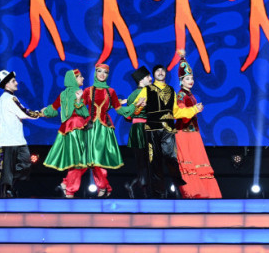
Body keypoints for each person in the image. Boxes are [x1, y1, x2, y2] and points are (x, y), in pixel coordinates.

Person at [144, 64, 199, 198]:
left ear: (165, 74)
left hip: (168, 128)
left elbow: (176, 112)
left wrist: (193, 110)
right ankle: (158, 190)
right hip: (153, 128)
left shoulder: (171, 90)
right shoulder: (147, 90)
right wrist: (137, 107)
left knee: (171, 157)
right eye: (157, 71)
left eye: (162, 70)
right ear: (154, 74)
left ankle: (177, 182)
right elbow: (136, 105)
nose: (160, 72)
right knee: (155, 159)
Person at [174, 50, 221, 198]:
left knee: (199, 161)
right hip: (184, 132)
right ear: (181, 80)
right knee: (189, 161)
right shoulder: (181, 95)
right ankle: (192, 191)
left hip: (193, 131)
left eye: (191, 78)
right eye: (187, 78)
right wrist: (195, 109)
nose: (191, 81)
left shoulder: (190, 94)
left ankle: (205, 191)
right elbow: (180, 114)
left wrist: (195, 109)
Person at [84, 63, 135, 197]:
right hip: (90, 128)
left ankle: (102, 186)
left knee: (97, 159)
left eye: (105, 72)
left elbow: (119, 109)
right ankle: (104, 186)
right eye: (99, 71)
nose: (102, 74)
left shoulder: (110, 91)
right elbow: (80, 107)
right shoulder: (88, 91)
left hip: (104, 129)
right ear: (95, 73)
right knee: (90, 160)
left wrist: (134, 106)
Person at [42, 69, 90, 198]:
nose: (83, 78)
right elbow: (84, 112)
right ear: (74, 79)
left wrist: (43, 112)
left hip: (68, 129)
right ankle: (70, 190)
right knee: (80, 161)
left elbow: (53, 109)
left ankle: (66, 184)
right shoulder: (80, 93)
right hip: (77, 128)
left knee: (82, 161)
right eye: (80, 76)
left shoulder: (63, 94)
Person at [0, 70, 41, 198]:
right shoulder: (10, 98)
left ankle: (7, 189)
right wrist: (40, 114)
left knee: (19, 166)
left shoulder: (2, 99)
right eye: (13, 81)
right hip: (12, 139)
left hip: (13, 139)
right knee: (20, 166)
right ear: (7, 85)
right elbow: (23, 112)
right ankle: (5, 192)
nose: (16, 83)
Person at [121, 67, 151, 198]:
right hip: (144, 128)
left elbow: (127, 117)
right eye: (148, 77)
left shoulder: (132, 95)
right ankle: (142, 189)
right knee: (146, 160)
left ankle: (138, 186)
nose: (151, 78)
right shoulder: (145, 93)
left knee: (142, 161)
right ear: (141, 80)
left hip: (136, 128)